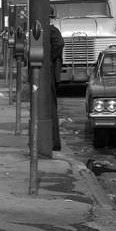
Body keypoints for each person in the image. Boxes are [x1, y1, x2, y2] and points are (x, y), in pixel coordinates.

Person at [49, 21, 65, 151]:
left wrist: (48, 58)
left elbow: (59, 44)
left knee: (50, 108)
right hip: (49, 72)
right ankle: (53, 141)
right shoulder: (50, 30)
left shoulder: (51, 30)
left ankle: (54, 141)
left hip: (49, 74)